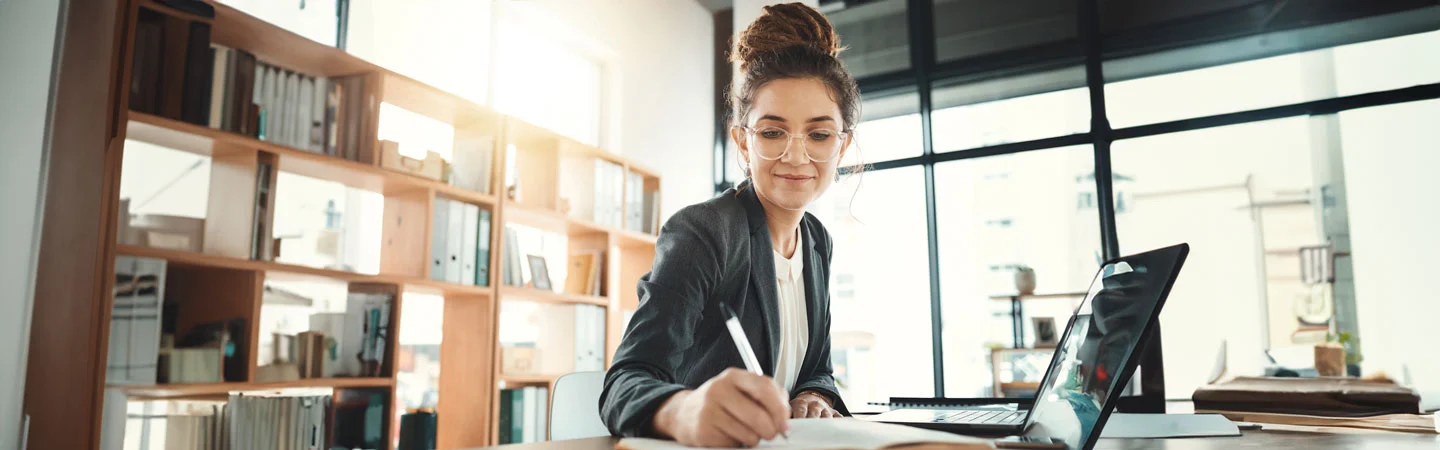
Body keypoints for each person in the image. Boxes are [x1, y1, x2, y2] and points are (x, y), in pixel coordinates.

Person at [598, 3, 862, 448]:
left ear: (842, 144)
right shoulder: (704, 232)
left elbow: (818, 366)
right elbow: (626, 380)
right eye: (773, 132)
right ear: (743, 140)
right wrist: (684, 409)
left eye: (818, 134)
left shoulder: (817, 241)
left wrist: (814, 394)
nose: (796, 156)